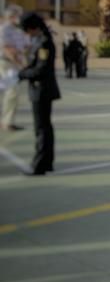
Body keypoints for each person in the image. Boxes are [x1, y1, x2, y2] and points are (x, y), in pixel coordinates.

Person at [17, 12, 61, 175]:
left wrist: (21, 74)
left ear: (33, 28)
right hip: (39, 89)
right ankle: (46, 162)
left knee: (42, 128)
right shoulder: (39, 40)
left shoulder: (44, 43)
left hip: (42, 90)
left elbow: (41, 69)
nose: (26, 33)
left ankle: (40, 165)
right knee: (44, 128)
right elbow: (34, 64)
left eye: (26, 30)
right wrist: (24, 71)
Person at [0, 5, 28, 131]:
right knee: (12, 91)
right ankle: (7, 122)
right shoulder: (4, 29)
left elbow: (24, 48)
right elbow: (7, 48)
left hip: (13, 63)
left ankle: (7, 121)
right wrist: (19, 63)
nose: (19, 18)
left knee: (12, 93)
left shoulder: (17, 30)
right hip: (7, 63)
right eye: (18, 16)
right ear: (11, 17)